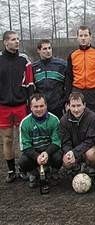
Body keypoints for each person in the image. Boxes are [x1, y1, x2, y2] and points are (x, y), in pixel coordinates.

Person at [0, 30, 34, 183]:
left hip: (21, 105)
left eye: (18, 39)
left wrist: (30, 101)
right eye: (13, 39)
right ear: (5, 42)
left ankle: (24, 168)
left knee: (23, 138)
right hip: (3, 106)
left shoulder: (24, 59)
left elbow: (30, 83)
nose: (16, 42)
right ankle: (11, 170)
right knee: (7, 139)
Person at [18, 94, 61, 192]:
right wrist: (37, 156)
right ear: (31, 107)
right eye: (36, 107)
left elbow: (57, 142)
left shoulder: (54, 120)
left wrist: (46, 153)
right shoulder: (25, 122)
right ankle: (33, 173)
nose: (39, 109)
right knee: (22, 161)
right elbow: (25, 146)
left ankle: (53, 172)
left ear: (46, 106)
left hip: (48, 152)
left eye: (41, 106)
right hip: (34, 153)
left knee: (59, 156)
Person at [60, 92, 95, 180]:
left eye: (78, 105)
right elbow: (65, 141)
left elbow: (90, 140)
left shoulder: (93, 117)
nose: (76, 109)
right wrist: (69, 152)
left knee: (91, 154)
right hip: (73, 149)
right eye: (73, 106)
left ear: (84, 105)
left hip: (89, 148)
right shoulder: (63, 120)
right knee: (66, 160)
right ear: (68, 106)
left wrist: (75, 152)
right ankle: (75, 170)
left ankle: (91, 171)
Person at [66, 25, 95, 116]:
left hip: (94, 93)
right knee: (77, 119)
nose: (83, 38)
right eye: (81, 36)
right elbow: (68, 78)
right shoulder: (72, 55)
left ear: (90, 37)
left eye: (85, 35)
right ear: (77, 38)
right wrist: (67, 99)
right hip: (77, 91)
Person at [32, 39, 67, 118]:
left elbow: (68, 84)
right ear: (38, 50)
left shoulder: (62, 65)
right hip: (41, 107)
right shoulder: (34, 67)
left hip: (58, 107)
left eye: (49, 48)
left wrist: (65, 101)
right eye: (44, 49)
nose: (48, 51)